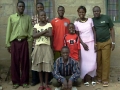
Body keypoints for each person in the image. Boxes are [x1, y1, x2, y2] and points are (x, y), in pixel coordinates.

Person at [6, 1, 33, 89]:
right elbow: (8, 31)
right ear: (17, 7)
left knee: (25, 62)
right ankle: (16, 82)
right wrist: (8, 44)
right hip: (14, 42)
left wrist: (29, 40)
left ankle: (25, 81)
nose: (21, 8)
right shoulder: (11, 17)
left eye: (22, 6)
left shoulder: (27, 18)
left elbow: (30, 30)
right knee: (15, 62)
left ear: (24, 8)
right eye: (20, 6)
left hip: (24, 42)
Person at [92, 6, 115, 87]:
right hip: (97, 44)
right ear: (93, 12)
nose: (96, 12)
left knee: (105, 61)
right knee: (98, 61)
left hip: (106, 43)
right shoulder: (92, 20)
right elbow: (84, 21)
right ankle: (99, 78)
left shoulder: (106, 18)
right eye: (94, 11)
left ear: (100, 11)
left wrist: (113, 42)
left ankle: (105, 79)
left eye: (97, 11)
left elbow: (112, 29)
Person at [74, 6, 97, 86]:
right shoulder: (76, 23)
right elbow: (77, 35)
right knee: (84, 62)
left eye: (83, 12)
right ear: (78, 13)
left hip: (91, 43)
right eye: (80, 12)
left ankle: (93, 77)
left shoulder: (90, 20)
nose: (81, 14)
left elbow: (94, 32)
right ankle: (86, 79)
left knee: (93, 61)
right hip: (83, 44)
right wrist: (83, 44)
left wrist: (95, 43)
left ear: (85, 12)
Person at [31, 11, 53, 90]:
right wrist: (44, 31)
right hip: (38, 47)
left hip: (47, 47)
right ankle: (41, 84)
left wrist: (39, 33)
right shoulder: (36, 25)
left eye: (44, 15)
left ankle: (46, 84)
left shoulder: (49, 24)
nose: (43, 16)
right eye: (41, 15)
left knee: (47, 66)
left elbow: (50, 34)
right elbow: (34, 35)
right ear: (38, 17)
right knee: (39, 66)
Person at [31, 2, 44, 86]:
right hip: (35, 44)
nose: (39, 9)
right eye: (38, 7)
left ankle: (45, 80)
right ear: (36, 8)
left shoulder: (46, 17)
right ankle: (35, 80)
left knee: (44, 62)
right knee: (35, 62)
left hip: (44, 43)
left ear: (43, 8)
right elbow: (33, 32)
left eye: (41, 7)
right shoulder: (32, 18)